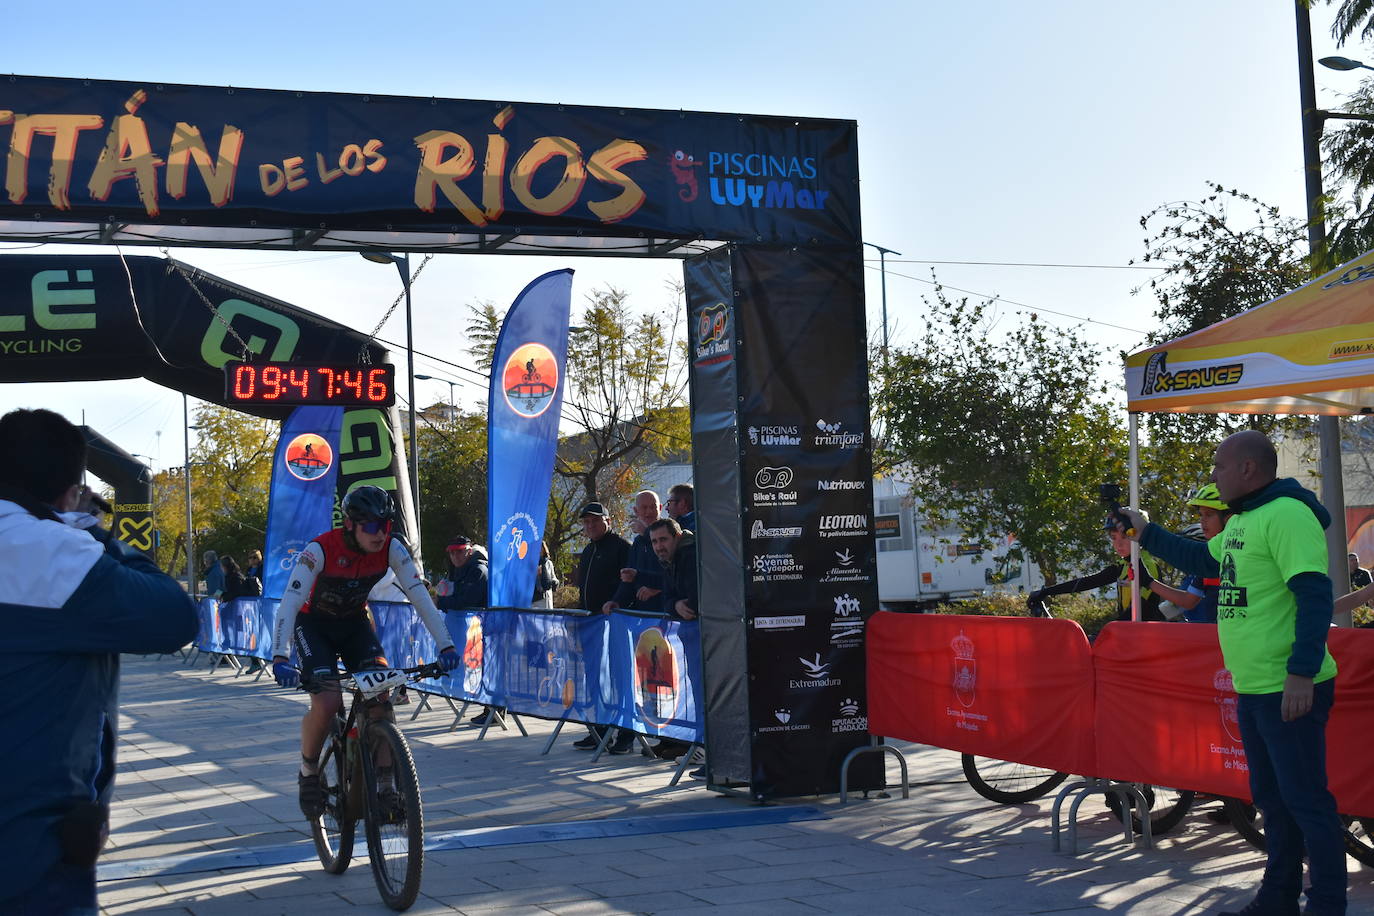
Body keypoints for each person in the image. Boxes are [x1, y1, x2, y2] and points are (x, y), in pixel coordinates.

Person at [1118, 430, 1345, 916]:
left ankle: (1327, 905)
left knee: (1306, 802)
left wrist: (1301, 673)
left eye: (1219, 466)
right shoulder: (1245, 519)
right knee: (1273, 801)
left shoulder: (1287, 514)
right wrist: (1144, 530)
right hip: (1254, 686)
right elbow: (1203, 560)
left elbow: (1314, 594)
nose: (1213, 475)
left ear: (1247, 469)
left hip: (1289, 687)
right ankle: (1278, 899)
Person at [0, 408, 198, 914]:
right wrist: (94, 533)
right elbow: (174, 617)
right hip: (29, 848)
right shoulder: (50, 551)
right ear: (69, 494)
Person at [270, 486, 460, 819]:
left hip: (356, 624)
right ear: (350, 524)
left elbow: (420, 597)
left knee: (381, 699)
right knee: (328, 702)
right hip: (314, 625)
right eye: (371, 526)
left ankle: (386, 786)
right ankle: (309, 771)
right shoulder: (320, 550)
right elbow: (291, 601)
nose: (380, 533)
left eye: (386, 525)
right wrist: (280, 656)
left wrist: (445, 644)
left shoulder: (391, 548)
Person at [1026, 514, 1163, 621]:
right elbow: (1088, 582)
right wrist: (1046, 592)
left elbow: (1141, 609)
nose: (1118, 544)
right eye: (1114, 538)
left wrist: (1105, 633)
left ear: (1139, 536)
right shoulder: (1123, 566)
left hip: (1147, 638)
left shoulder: (1148, 567)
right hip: (1129, 633)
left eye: (1124, 537)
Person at [572, 501, 630, 751]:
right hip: (591, 626)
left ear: (608, 521)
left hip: (614, 626)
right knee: (595, 680)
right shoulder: (587, 550)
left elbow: (628, 584)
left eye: (595, 520)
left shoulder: (621, 547)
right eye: (586, 522)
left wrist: (616, 601)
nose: (591, 525)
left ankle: (626, 737)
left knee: (619, 680)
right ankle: (599, 730)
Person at [1141, 484, 1234, 624]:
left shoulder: (1242, 555)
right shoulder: (1206, 561)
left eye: (1209, 514)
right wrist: (1148, 581)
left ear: (1228, 518)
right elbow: (1187, 601)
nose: (1202, 521)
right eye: (1201, 515)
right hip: (1210, 638)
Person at [434, 535, 496, 723]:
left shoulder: (478, 569)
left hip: (484, 628)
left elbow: (467, 600)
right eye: (452, 553)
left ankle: (493, 710)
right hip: (468, 627)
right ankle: (490, 710)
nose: (455, 556)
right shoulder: (457, 568)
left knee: (487, 667)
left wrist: (440, 601)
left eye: (459, 552)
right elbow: (455, 594)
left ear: (468, 551)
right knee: (476, 667)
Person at [608, 490, 664, 612]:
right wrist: (616, 602)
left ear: (660, 508)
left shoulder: (672, 535)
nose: (649, 512)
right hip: (643, 616)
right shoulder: (638, 542)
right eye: (644, 508)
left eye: (653, 507)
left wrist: (658, 588)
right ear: (636, 511)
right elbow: (629, 578)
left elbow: (673, 576)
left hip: (668, 615)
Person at [532, 540, 559, 609]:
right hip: (536, 600)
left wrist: (555, 582)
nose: (539, 551)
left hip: (547, 597)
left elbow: (553, 577)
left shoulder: (548, 563)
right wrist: (536, 575)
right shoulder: (530, 563)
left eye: (541, 549)